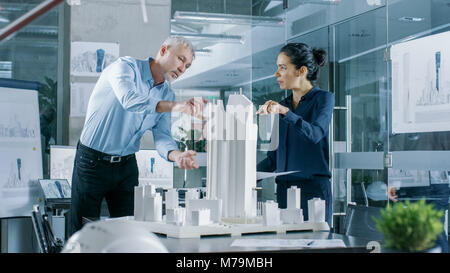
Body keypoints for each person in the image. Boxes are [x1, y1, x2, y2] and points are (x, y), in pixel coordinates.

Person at [70, 36, 206, 234]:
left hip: (126, 167)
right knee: (83, 233)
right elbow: (130, 100)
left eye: (188, 66)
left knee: (128, 233)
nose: (182, 68)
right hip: (92, 162)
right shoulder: (125, 67)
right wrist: (177, 107)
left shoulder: (167, 95)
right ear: (163, 50)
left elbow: (163, 137)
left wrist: (177, 155)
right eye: (180, 59)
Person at [256, 43, 334, 227]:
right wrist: (247, 175)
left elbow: (315, 134)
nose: (277, 74)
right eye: (277, 68)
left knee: (317, 245)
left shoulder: (323, 99)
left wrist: (286, 113)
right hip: (284, 189)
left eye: (283, 68)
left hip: (313, 189)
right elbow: (274, 158)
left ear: (301, 71)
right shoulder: (284, 105)